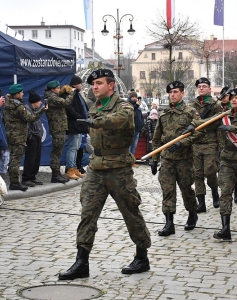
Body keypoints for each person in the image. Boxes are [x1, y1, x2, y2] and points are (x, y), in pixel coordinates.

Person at [58, 69, 151, 280]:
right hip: (96, 168)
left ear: (111, 85)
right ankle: (81, 261)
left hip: (119, 169)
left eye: (99, 83)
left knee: (131, 212)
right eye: (93, 84)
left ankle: (142, 257)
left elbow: (120, 119)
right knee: (87, 213)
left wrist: (95, 122)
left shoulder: (124, 106)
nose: (95, 87)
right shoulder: (94, 106)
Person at [186, 88, 237, 240]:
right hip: (226, 161)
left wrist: (233, 128)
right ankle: (225, 228)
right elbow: (206, 122)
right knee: (225, 193)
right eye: (231, 98)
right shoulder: (223, 116)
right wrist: (193, 125)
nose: (233, 100)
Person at [151, 81, 203, 236]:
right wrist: (154, 160)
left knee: (186, 189)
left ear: (182, 93)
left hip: (184, 159)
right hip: (167, 159)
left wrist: (182, 143)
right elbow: (157, 139)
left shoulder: (190, 112)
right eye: (170, 92)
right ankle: (169, 223)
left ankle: (192, 213)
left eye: (175, 92)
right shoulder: (164, 114)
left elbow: (200, 132)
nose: (172, 95)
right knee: (167, 190)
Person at [186, 77, 222, 213]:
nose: (201, 88)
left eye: (204, 86)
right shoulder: (192, 105)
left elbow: (219, 123)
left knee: (210, 171)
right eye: (199, 86)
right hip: (196, 143)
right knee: (197, 174)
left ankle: (214, 190)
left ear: (209, 89)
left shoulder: (215, 105)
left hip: (210, 142)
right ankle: (201, 202)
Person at [3, 84, 47, 191]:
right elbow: (30, 118)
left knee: (13, 159)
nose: (23, 94)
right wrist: (42, 110)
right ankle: (14, 183)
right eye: (21, 92)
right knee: (16, 160)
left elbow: (4, 120)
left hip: (11, 135)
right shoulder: (18, 107)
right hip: (19, 137)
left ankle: (14, 181)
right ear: (17, 94)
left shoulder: (7, 105)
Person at [45, 80, 74, 184]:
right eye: (57, 88)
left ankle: (57, 173)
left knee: (58, 151)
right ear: (52, 89)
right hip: (57, 127)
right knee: (56, 152)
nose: (59, 89)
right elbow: (66, 102)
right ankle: (55, 175)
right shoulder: (52, 98)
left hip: (59, 127)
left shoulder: (53, 96)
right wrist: (71, 93)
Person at [219, 86, 237, 204]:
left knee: (236, 172)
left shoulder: (232, 110)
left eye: (226, 96)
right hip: (221, 145)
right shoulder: (218, 108)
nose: (224, 97)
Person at [63, 75, 88, 180]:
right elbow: (69, 107)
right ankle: (70, 169)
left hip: (79, 124)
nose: (81, 85)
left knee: (76, 147)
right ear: (76, 84)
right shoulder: (70, 93)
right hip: (74, 124)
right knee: (73, 148)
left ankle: (74, 168)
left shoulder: (76, 94)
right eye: (80, 83)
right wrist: (79, 117)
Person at [21, 90, 44, 186]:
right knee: (30, 158)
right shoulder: (27, 109)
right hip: (32, 137)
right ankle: (26, 177)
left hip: (37, 137)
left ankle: (32, 176)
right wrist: (30, 136)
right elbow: (26, 124)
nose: (41, 103)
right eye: (39, 101)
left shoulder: (34, 110)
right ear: (34, 102)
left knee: (36, 158)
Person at [128, 91, 145, 163]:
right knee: (129, 146)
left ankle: (132, 161)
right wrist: (137, 106)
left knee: (134, 146)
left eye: (135, 97)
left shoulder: (138, 106)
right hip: (130, 129)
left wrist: (142, 125)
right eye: (133, 97)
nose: (134, 98)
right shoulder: (128, 105)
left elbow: (140, 116)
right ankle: (128, 161)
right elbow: (130, 111)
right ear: (130, 97)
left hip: (137, 129)